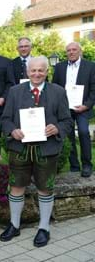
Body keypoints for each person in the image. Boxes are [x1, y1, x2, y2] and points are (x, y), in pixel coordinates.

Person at [0, 56, 72, 247]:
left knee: (45, 188)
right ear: (27, 72)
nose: (37, 74)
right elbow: (5, 119)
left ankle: (44, 227)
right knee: (16, 187)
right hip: (20, 149)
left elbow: (67, 121)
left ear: (47, 72)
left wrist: (57, 129)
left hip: (46, 150)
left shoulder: (58, 92)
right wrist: (12, 130)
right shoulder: (15, 91)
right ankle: (14, 225)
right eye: (33, 70)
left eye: (41, 70)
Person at [52, 42, 95, 177]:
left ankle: (87, 164)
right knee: (68, 136)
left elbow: (94, 89)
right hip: (65, 109)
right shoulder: (59, 67)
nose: (71, 52)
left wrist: (86, 106)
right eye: (69, 50)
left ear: (79, 51)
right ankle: (74, 165)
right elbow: (55, 87)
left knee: (83, 132)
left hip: (82, 108)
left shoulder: (91, 66)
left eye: (74, 49)